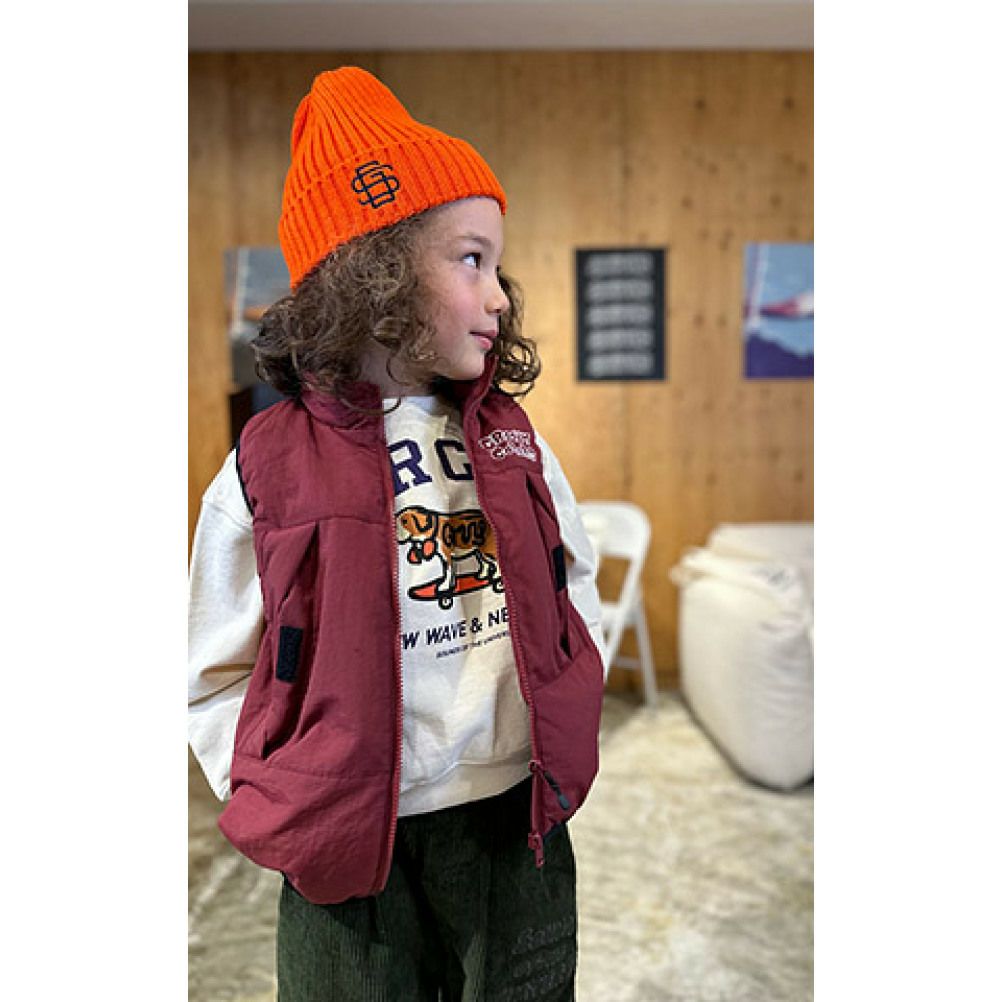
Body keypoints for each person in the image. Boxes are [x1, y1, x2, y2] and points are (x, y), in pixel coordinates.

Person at [188, 66, 607, 1001]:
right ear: (373, 268)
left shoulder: (511, 438)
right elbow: (212, 664)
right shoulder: (267, 466)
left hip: (516, 824)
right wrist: (279, 787)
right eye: (471, 260)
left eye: (497, 265)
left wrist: (572, 697)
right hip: (346, 845)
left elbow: (572, 579)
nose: (500, 297)